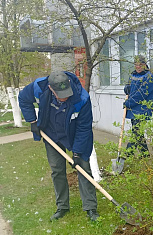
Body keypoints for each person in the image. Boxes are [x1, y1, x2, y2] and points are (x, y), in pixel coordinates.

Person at [18, 71, 98, 222]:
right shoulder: (39, 87)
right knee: (57, 170)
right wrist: (32, 121)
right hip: (52, 134)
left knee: (84, 168)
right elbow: (23, 98)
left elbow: (84, 127)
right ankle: (62, 206)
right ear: (51, 88)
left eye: (66, 93)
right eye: (60, 94)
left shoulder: (82, 98)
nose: (64, 97)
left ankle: (90, 208)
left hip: (75, 135)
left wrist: (77, 152)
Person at [123, 55, 153, 157]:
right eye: (136, 65)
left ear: (145, 65)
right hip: (134, 109)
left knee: (136, 133)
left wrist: (128, 103)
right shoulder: (133, 75)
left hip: (143, 109)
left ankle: (126, 156)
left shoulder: (149, 77)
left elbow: (141, 94)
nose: (138, 67)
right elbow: (128, 87)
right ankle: (145, 155)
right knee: (139, 133)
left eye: (140, 65)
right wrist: (127, 88)